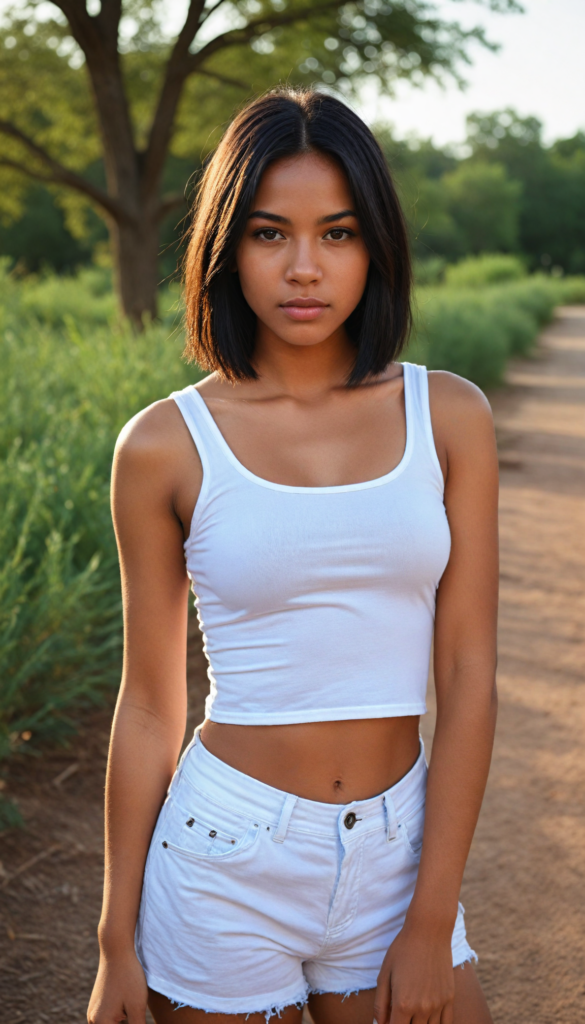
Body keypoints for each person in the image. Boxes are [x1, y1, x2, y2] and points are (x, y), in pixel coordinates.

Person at [88, 89, 498, 1024]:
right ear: (226, 248)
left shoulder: (448, 416)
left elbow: (468, 674)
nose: (304, 268)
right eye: (269, 233)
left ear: (375, 246)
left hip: (397, 853)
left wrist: (430, 917)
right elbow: (149, 702)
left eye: (337, 234)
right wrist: (115, 941)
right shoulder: (164, 445)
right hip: (223, 855)